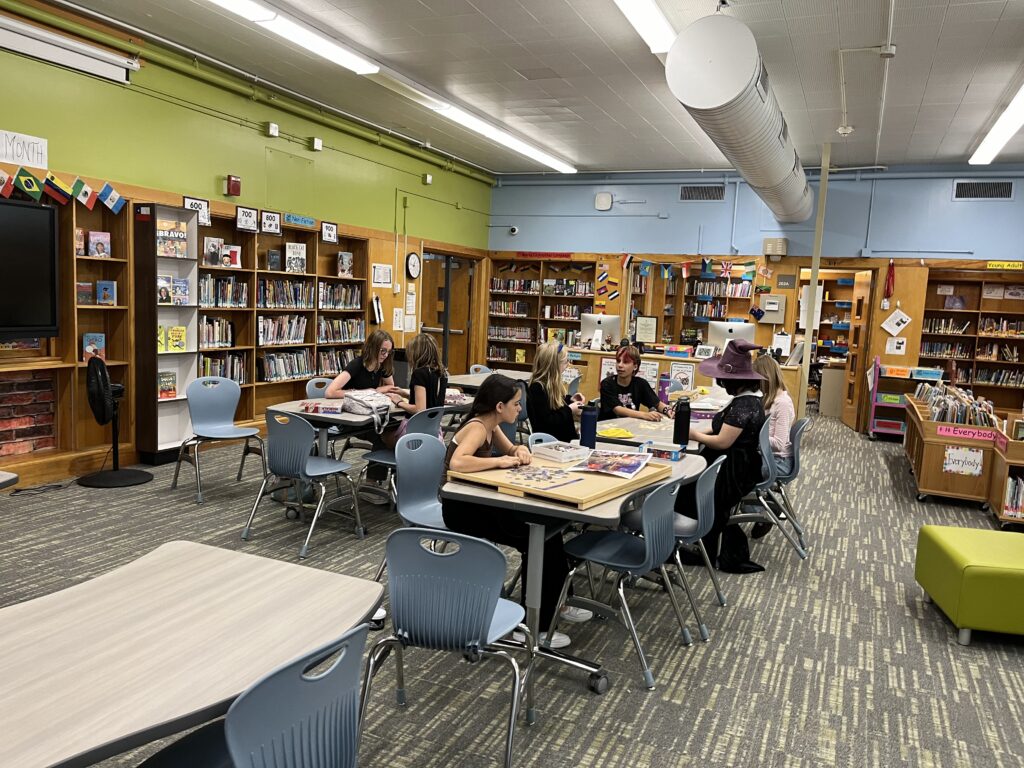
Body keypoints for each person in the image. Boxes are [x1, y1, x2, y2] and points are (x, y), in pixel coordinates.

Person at [442, 374, 590, 649]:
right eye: (516, 404)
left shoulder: (492, 423)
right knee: (537, 536)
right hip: (461, 508)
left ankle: (557, 604)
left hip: (480, 501)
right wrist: (499, 464)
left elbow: (511, 448)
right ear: (500, 406)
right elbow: (458, 463)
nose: (520, 410)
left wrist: (519, 450)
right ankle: (533, 627)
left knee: (548, 530)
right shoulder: (477, 426)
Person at [680, 339, 767, 574]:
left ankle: (697, 544)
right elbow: (722, 428)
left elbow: (723, 441)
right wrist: (700, 432)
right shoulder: (748, 400)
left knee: (686, 486)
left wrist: (694, 434)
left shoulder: (744, 405)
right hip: (739, 462)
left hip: (734, 470)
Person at [389, 333, 447, 445]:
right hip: (432, 432)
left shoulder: (419, 373)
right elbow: (431, 400)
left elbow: (420, 409)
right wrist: (405, 394)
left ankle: (388, 461)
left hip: (413, 432)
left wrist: (399, 402)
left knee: (381, 435)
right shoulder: (442, 373)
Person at [527, 342, 585, 442]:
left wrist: (570, 399)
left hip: (563, 441)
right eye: (566, 362)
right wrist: (570, 409)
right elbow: (549, 422)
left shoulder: (552, 385)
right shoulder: (537, 388)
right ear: (554, 365)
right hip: (552, 444)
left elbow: (557, 407)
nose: (568, 364)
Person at [598, 345, 671, 421]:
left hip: (630, 427)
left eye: (625, 362)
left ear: (635, 366)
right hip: (608, 428)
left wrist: (668, 410)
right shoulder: (607, 383)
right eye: (618, 361)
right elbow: (617, 409)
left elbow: (657, 404)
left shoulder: (640, 384)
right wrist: (645, 415)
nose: (620, 365)